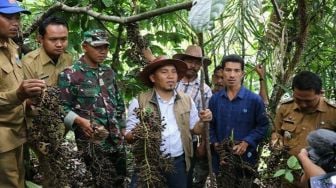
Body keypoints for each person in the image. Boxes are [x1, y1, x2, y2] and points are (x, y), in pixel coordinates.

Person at [125, 56, 213, 188]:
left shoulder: (186, 100)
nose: (170, 76)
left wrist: (203, 120)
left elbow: (195, 129)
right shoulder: (139, 101)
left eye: (174, 72)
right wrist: (140, 132)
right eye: (164, 72)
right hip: (149, 163)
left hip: (178, 162)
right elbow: (128, 136)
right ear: (153, 78)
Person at [58, 29, 126, 187]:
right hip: (92, 142)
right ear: (85, 46)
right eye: (97, 47)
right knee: (101, 181)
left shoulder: (108, 72)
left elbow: (119, 102)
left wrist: (123, 129)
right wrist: (80, 121)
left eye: (105, 47)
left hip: (116, 139)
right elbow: (61, 108)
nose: (102, 51)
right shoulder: (70, 75)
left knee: (120, 180)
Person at [0, 1, 46, 187]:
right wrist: (18, 95)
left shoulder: (11, 46)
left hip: (17, 135)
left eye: (17, 17)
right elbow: (13, 93)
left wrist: (28, 101)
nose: (15, 23)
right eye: (8, 17)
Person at [209, 54, 269, 187]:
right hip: (221, 160)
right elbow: (210, 126)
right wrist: (215, 143)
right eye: (228, 70)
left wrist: (247, 142)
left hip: (245, 161)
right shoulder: (215, 99)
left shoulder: (254, 100)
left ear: (242, 74)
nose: (232, 75)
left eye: (236, 71)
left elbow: (263, 126)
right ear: (222, 72)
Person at [173, 44, 212, 188]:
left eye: (197, 63)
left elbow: (205, 121)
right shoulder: (173, 82)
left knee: (186, 175)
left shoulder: (205, 90)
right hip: (167, 136)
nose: (193, 65)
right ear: (183, 61)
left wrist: (202, 144)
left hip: (190, 140)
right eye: (190, 61)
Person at [273, 71, 336, 156]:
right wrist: (276, 141)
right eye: (298, 99)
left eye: (308, 101)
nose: (303, 105)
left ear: (321, 93)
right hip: (288, 164)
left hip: (320, 167)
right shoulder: (285, 108)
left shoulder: (333, 112)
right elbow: (277, 133)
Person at [22, 15, 71, 86]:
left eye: (63, 39)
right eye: (53, 39)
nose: (59, 44)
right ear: (41, 39)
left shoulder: (67, 58)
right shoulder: (29, 63)